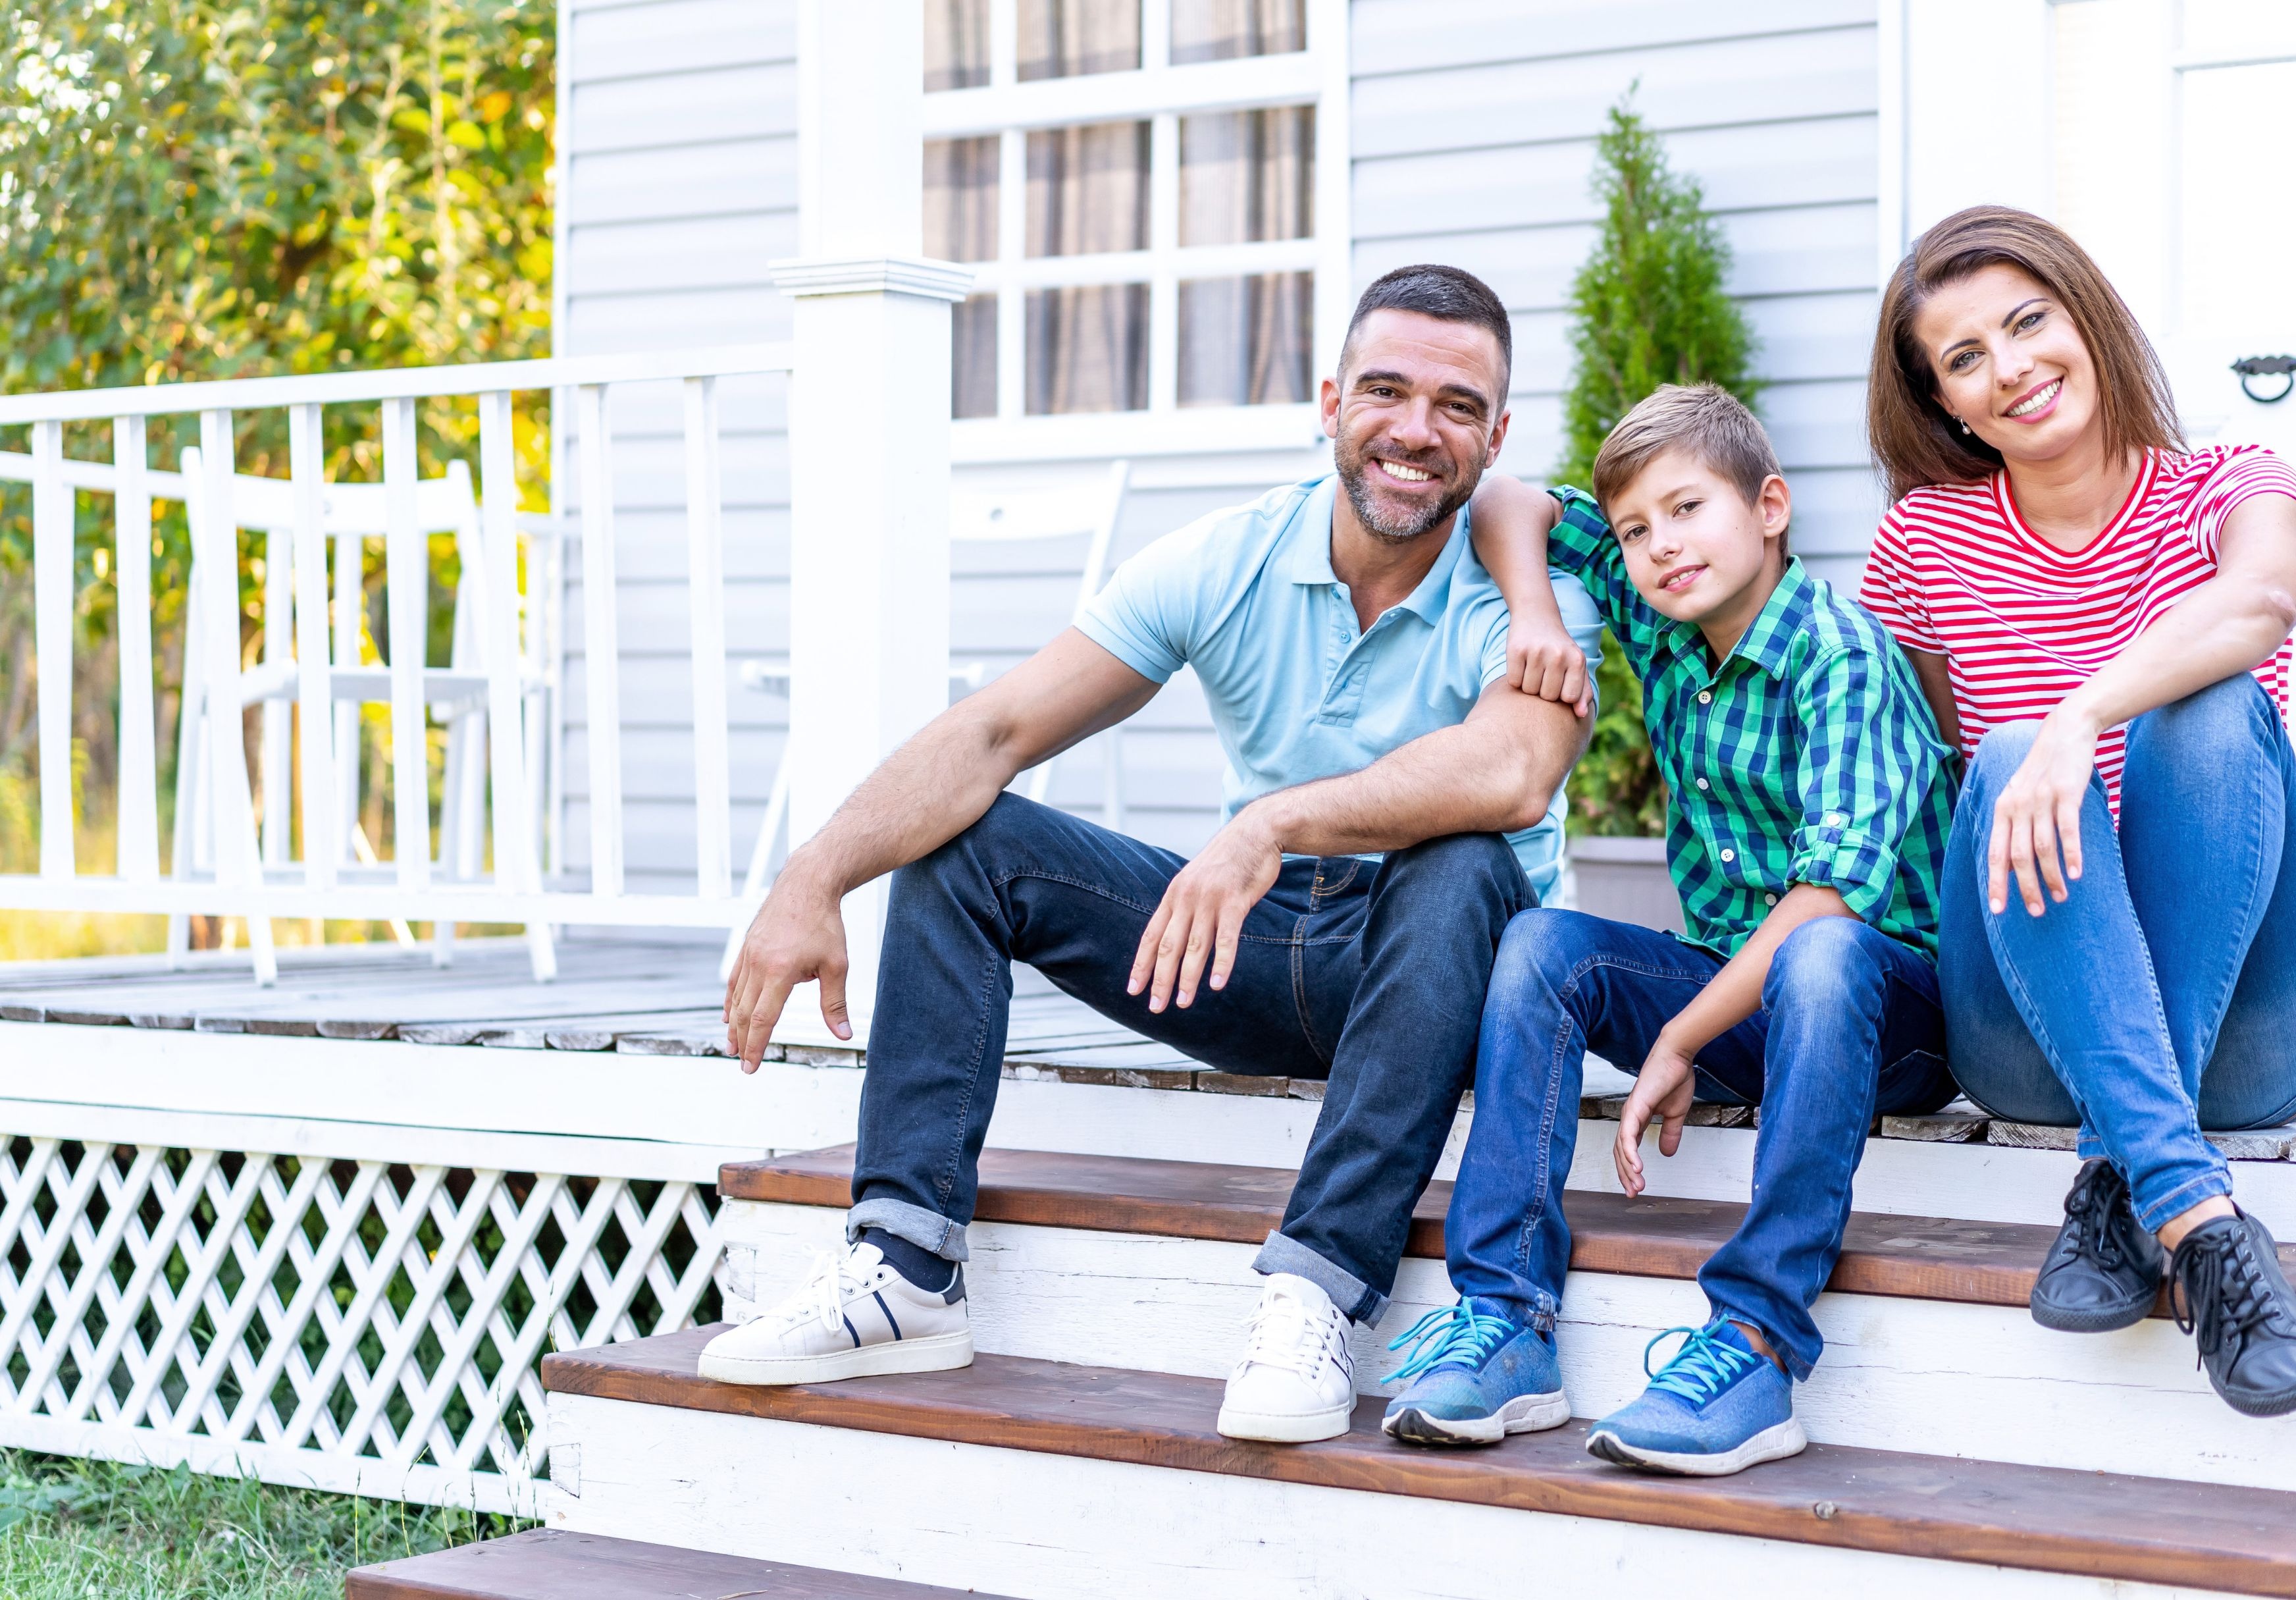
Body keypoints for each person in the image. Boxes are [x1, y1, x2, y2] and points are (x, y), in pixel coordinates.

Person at [698, 264, 1605, 1445]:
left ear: (1495, 438)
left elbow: (1511, 774)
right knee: (970, 841)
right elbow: (996, 729)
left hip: (1447, 977)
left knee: (1465, 861)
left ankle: (1313, 1293)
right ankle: (905, 1266)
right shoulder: (1227, 559)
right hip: (1258, 944)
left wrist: (1268, 823)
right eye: (1385, 390)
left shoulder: (1539, 598)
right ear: (1330, 401)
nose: (1415, 430)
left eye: (1456, 406)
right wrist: (812, 874)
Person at [1378, 383, 1957, 1474]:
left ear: (1771, 506)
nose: (1659, 547)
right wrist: (1541, 618)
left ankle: (1755, 1341)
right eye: (1638, 530)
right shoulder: (1664, 624)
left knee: (1823, 951)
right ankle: (1506, 1322)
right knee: (1545, 944)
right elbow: (1511, 498)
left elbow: (1828, 902)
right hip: (1742, 998)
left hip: (1892, 1014)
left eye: (1688, 509)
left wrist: (1680, 1037)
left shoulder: (1840, 657)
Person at [1858, 205, 2296, 1418]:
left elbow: (2260, 603)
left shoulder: (2231, 483)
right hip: (2034, 1028)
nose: (2012, 367)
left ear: (2089, 319)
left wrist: (2083, 718)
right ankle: (2195, 1212)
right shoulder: (1924, 541)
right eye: (1966, 357)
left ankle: (2123, 1165)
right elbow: (1942, 773)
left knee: (2205, 700)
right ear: (1947, 408)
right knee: (2009, 755)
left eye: (2029, 321)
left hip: (2261, 1026)